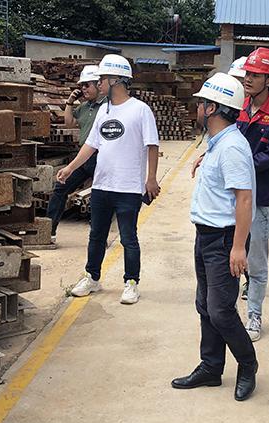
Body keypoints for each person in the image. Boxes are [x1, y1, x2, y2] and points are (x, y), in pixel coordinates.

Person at [171, 73, 259, 402]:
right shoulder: (218, 143)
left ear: (212, 109)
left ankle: (248, 364)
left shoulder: (232, 147)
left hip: (224, 240)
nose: (197, 108)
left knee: (221, 310)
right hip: (206, 235)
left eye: (201, 103)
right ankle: (211, 367)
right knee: (205, 306)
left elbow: (244, 199)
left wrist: (238, 247)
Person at [57, 54, 160, 304]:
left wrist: (151, 179)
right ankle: (92, 278)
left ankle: (131, 283)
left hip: (128, 188)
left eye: (102, 79)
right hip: (102, 186)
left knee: (128, 238)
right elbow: (91, 145)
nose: (98, 83)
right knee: (96, 235)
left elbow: (152, 145)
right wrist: (70, 168)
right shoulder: (103, 110)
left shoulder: (140, 110)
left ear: (116, 80)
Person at [237, 47, 269, 341]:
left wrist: (239, 164)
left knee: (256, 262)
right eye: (248, 73)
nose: (248, 79)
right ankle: (225, 312)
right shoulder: (238, 107)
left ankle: (254, 315)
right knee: (229, 254)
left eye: (255, 75)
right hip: (232, 197)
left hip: (259, 199)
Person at [46, 65, 105, 243]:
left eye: (87, 85)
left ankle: (98, 237)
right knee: (61, 187)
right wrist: (70, 103)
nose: (83, 89)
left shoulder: (108, 107)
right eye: (81, 86)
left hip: (102, 157)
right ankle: (49, 231)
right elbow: (69, 123)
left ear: (98, 84)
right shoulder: (85, 107)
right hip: (84, 156)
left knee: (99, 196)